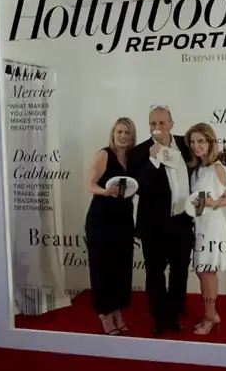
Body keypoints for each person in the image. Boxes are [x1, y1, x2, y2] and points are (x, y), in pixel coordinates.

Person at [127, 105, 195, 335]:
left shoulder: (186, 145)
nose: (157, 127)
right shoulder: (138, 152)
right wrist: (154, 160)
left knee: (179, 273)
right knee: (155, 273)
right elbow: (139, 188)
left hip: (182, 221)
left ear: (171, 124)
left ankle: (174, 315)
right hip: (153, 226)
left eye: (161, 123)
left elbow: (206, 162)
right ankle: (158, 317)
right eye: (153, 123)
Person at [84, 117, 137, 335]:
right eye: (119, 132)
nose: (123, 136)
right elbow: (89, 185)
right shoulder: (104, 154)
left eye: (127, 132)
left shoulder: (133, 158)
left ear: (132, 136)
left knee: (121, 268)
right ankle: (105, 315)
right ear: (113, 134)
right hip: (102, 219)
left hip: (124, 219)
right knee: (103, 268)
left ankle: (117, 311)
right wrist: (105, 191)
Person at [185, 122, 226, 335]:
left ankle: (210, 316)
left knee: (208, 271)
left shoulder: (218, 168)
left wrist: (212, 203)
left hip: (213, 224)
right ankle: (211, 314)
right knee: (202, 270)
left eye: (201, 141)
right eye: (193, 142)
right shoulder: (195, 170)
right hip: (199, 224)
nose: (196, 146)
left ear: (210, 142)